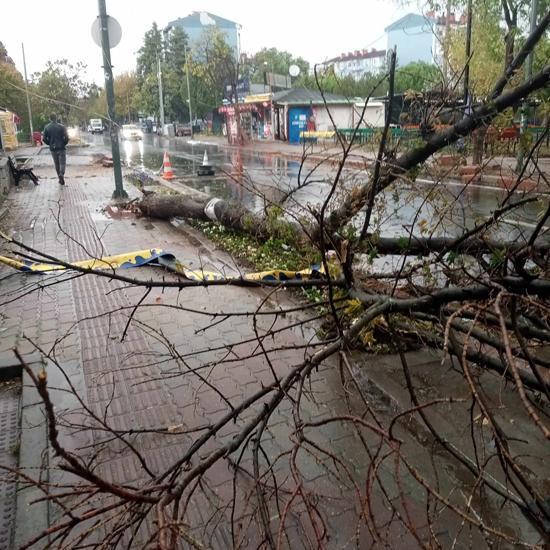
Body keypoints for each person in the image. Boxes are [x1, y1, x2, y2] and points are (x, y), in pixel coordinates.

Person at [43, 113, 69, 185]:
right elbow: (67, 137)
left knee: (56, 164)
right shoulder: (62, 127)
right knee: (62, 163)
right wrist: (64, 143)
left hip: (53, 149)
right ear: (56, 118)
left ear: (50, 118)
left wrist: (50, 144)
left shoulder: (47, 127)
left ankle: (59, 178)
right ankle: (61, 174)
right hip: (61, 148)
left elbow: (44, 139)